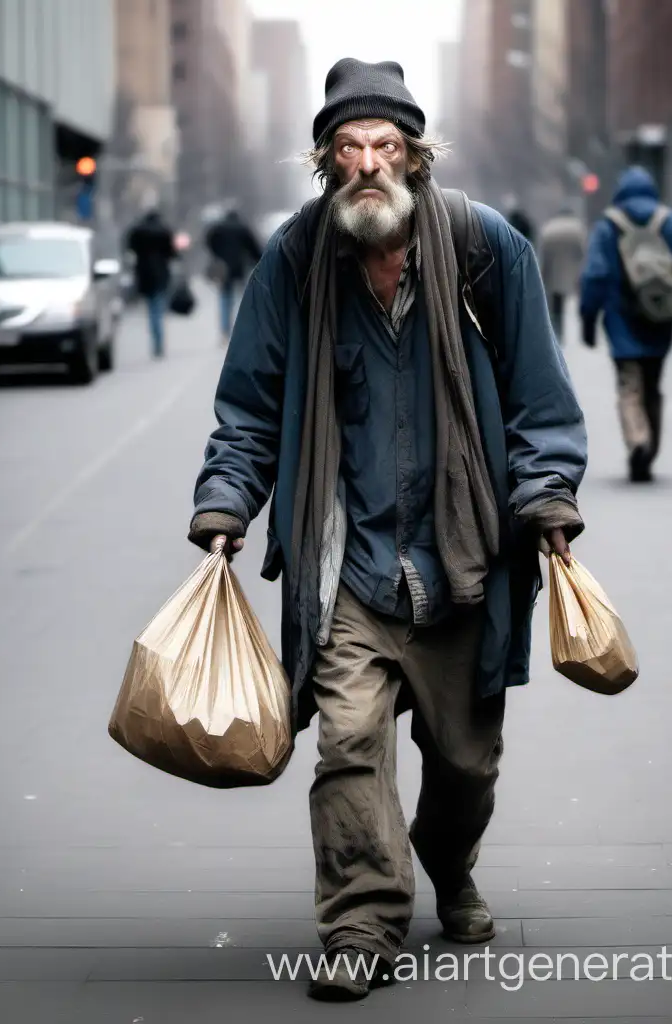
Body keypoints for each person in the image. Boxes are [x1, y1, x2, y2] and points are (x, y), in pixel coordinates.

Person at [186, 58, 588, 1001]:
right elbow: (249, 406)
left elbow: (540, 398)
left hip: (462, 560)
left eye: (387, 146)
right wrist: (223, 506)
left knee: (464, 765)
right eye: (350, 147)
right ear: (326, 161)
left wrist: (548, 499)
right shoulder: (294, 261)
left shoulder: (487, 248)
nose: (369, 163)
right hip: (349, 565)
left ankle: (448, 864)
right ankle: (362, 923)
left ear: (415, 156)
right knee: (348, 745)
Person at [579, 166, 672, 483]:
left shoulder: (609, 225)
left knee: (629, 387)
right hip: (660, 320)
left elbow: (595, 274)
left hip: (621, 321)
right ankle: (649, 454)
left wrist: (588, 319)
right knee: (653, 387)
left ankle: (637, 440)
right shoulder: (671, 222)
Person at [204, 205, 263, 344]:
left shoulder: (218, 228)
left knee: (225, 299)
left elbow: (208, 240)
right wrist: (259, 261)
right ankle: (240, 330)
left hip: (223, 269)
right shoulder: (242, 228)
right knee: (239, 300)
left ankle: (225, 332)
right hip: (238, 268)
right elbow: (253, 247)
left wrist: (216, 254)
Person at [126, 208, 176, 358]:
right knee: (158, 307)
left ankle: (156, 340)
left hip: (145, 274)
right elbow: (172, 253)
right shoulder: (164, 231)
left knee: (152, 308)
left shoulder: (138, 231)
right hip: (161, 273)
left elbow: (130, 247)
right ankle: (158, 342)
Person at [539, 204, 587, 344]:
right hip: (574, 271)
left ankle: (559, 332)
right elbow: (582, 252)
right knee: (581, 302)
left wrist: (543, 274)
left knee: (557, 305)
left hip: (555, 272)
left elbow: (544, 255)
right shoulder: (578, 228)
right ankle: (582, 333)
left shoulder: (549, 228)